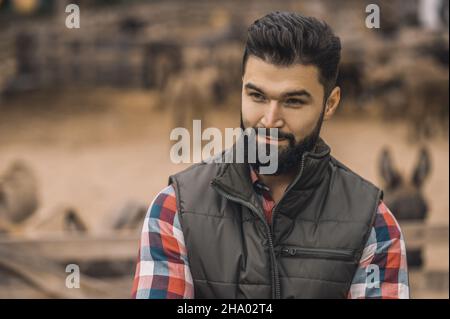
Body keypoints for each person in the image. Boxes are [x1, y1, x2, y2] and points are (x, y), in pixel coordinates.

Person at [132, 11, 409, 299]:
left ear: (330, 104)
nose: (270, 119)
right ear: (241, 90)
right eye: (257, 96)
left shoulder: (374, 226)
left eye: (293, 101)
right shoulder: (174, 210)